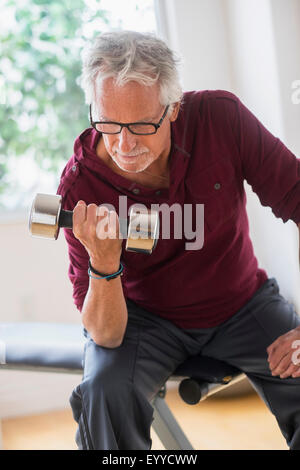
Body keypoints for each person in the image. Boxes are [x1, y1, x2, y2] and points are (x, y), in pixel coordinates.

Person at [56, 30, 300, 450]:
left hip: (243, 304)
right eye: (108, 124)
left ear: (173, 109)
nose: (124, 145)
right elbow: (106, 335)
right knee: (104, 392)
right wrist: (103, 261)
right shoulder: (80, 187)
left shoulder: (221, 119)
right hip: (143, 322)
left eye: (141, 125)